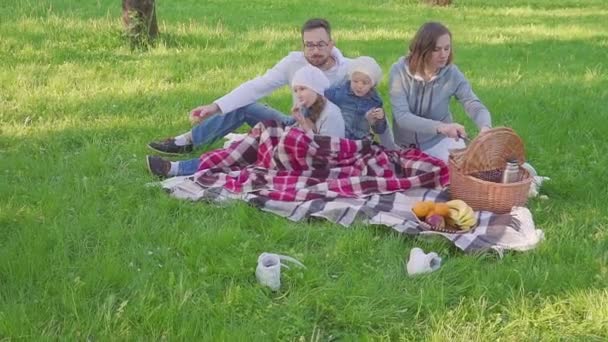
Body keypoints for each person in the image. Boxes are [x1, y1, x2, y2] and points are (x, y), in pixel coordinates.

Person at [147, 18, 350, 155]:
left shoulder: (349, 71)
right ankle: (189, 141)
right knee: (245, 105)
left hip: (323, 139)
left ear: (331, 44)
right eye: (309, 45)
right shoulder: (293, 63)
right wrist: (215, 106)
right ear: (303, 45)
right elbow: (256, 86)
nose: (315, 51)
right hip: (293, 124)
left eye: (321, 45)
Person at [146, 65, 345, 178]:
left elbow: (324, 155)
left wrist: (296, 130)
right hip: (290, 142)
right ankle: (183, 155)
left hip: (300, 158)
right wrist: (299, 122)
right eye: (296, 90)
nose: (299, 94)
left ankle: (176, 169)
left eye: (303, 89)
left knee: (239, 154)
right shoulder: (308, 103)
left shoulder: (330, 113)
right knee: (244, 141)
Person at [389, 21, 492, 161]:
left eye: (447, 48)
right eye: (436, 49)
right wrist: (442, 127)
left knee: (463, 173)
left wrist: (485, 127)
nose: (443, 55)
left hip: (440, 142)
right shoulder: (398, 71)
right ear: (422, 50)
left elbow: (472, 103)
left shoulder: (452, 73)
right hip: (405, 148)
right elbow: (402, 117)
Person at [324, 56, 394, 147]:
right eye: (355, 81)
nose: (359, 86)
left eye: (365, 83)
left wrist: (379, 120)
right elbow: (320, 98)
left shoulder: (374, 101)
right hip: (340, 140)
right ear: (350, 79)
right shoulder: (339, 93)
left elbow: (379, 130)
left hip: (361, 142)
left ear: (372, 85)